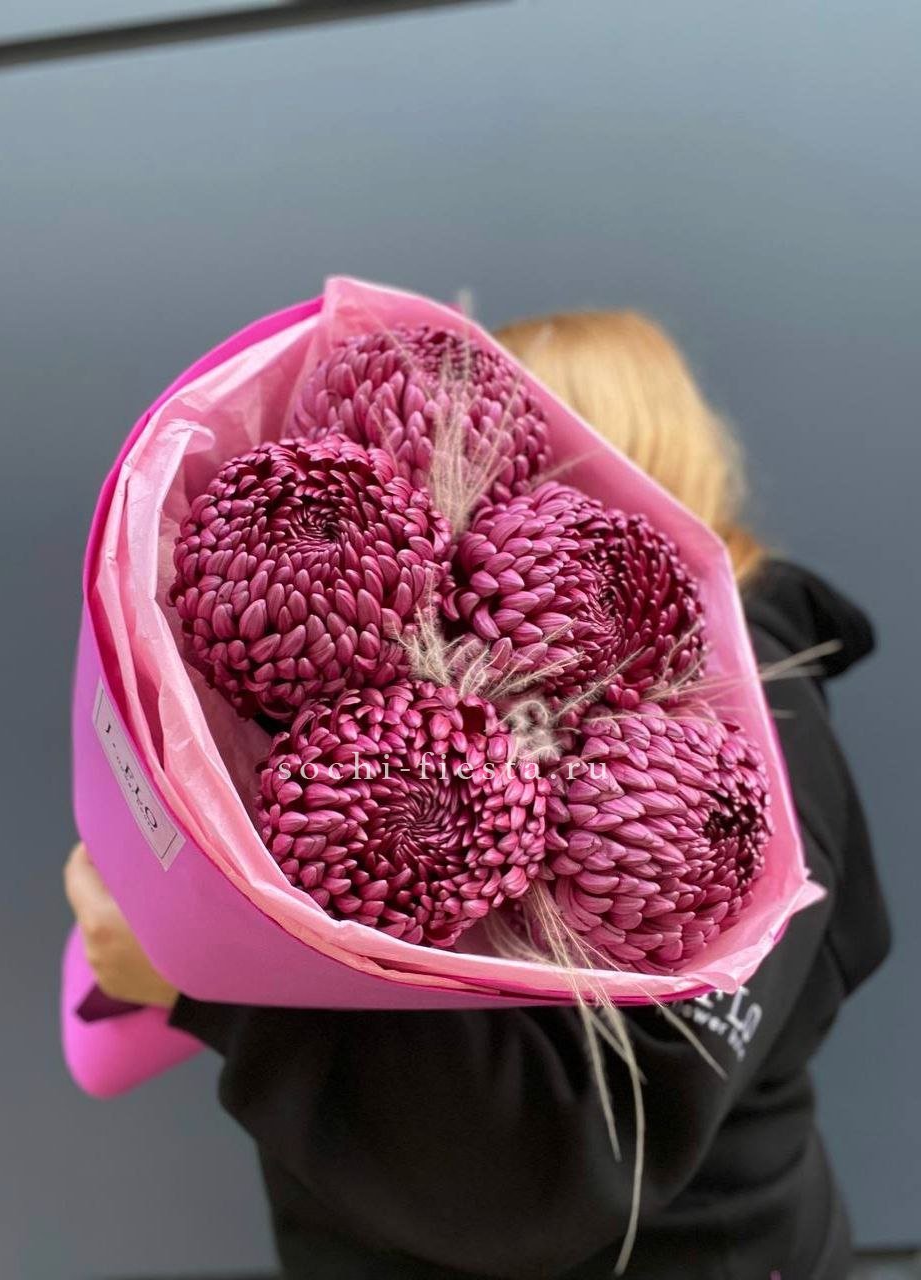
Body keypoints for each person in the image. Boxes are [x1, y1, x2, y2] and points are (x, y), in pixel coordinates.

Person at [64, 309, 890, 1280]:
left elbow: (553, 1166)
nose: (476, 492)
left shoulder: (738, 755)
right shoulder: (405, 687)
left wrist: (213, 989)